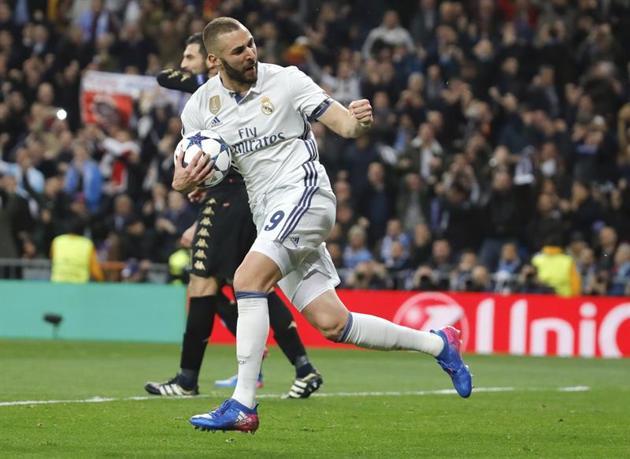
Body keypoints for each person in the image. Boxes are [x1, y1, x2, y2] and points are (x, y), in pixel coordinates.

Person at [176, 18, 472, 433]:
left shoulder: (288, 81)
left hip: (305, 195)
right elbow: (183, 171)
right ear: (214, 59)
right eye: (239, 51)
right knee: (334, 324)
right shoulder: (200, 108)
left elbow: (346, 125)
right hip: (269, 212)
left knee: (248, 278)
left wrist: (360, 119)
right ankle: (440, 344)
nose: (250, 55)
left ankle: (243, 403)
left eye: (252, 45)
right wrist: (186, 181)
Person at [145, 33, 323, 399]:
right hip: (237, 196)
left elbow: (166, 77)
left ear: (212, 60)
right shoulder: (209, 104)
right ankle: (301, 365)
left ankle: (188, 378)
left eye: (190, 56)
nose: (183, 64)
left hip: (237, 198)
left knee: (204, 282)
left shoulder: (227, 88)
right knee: (247, 282)